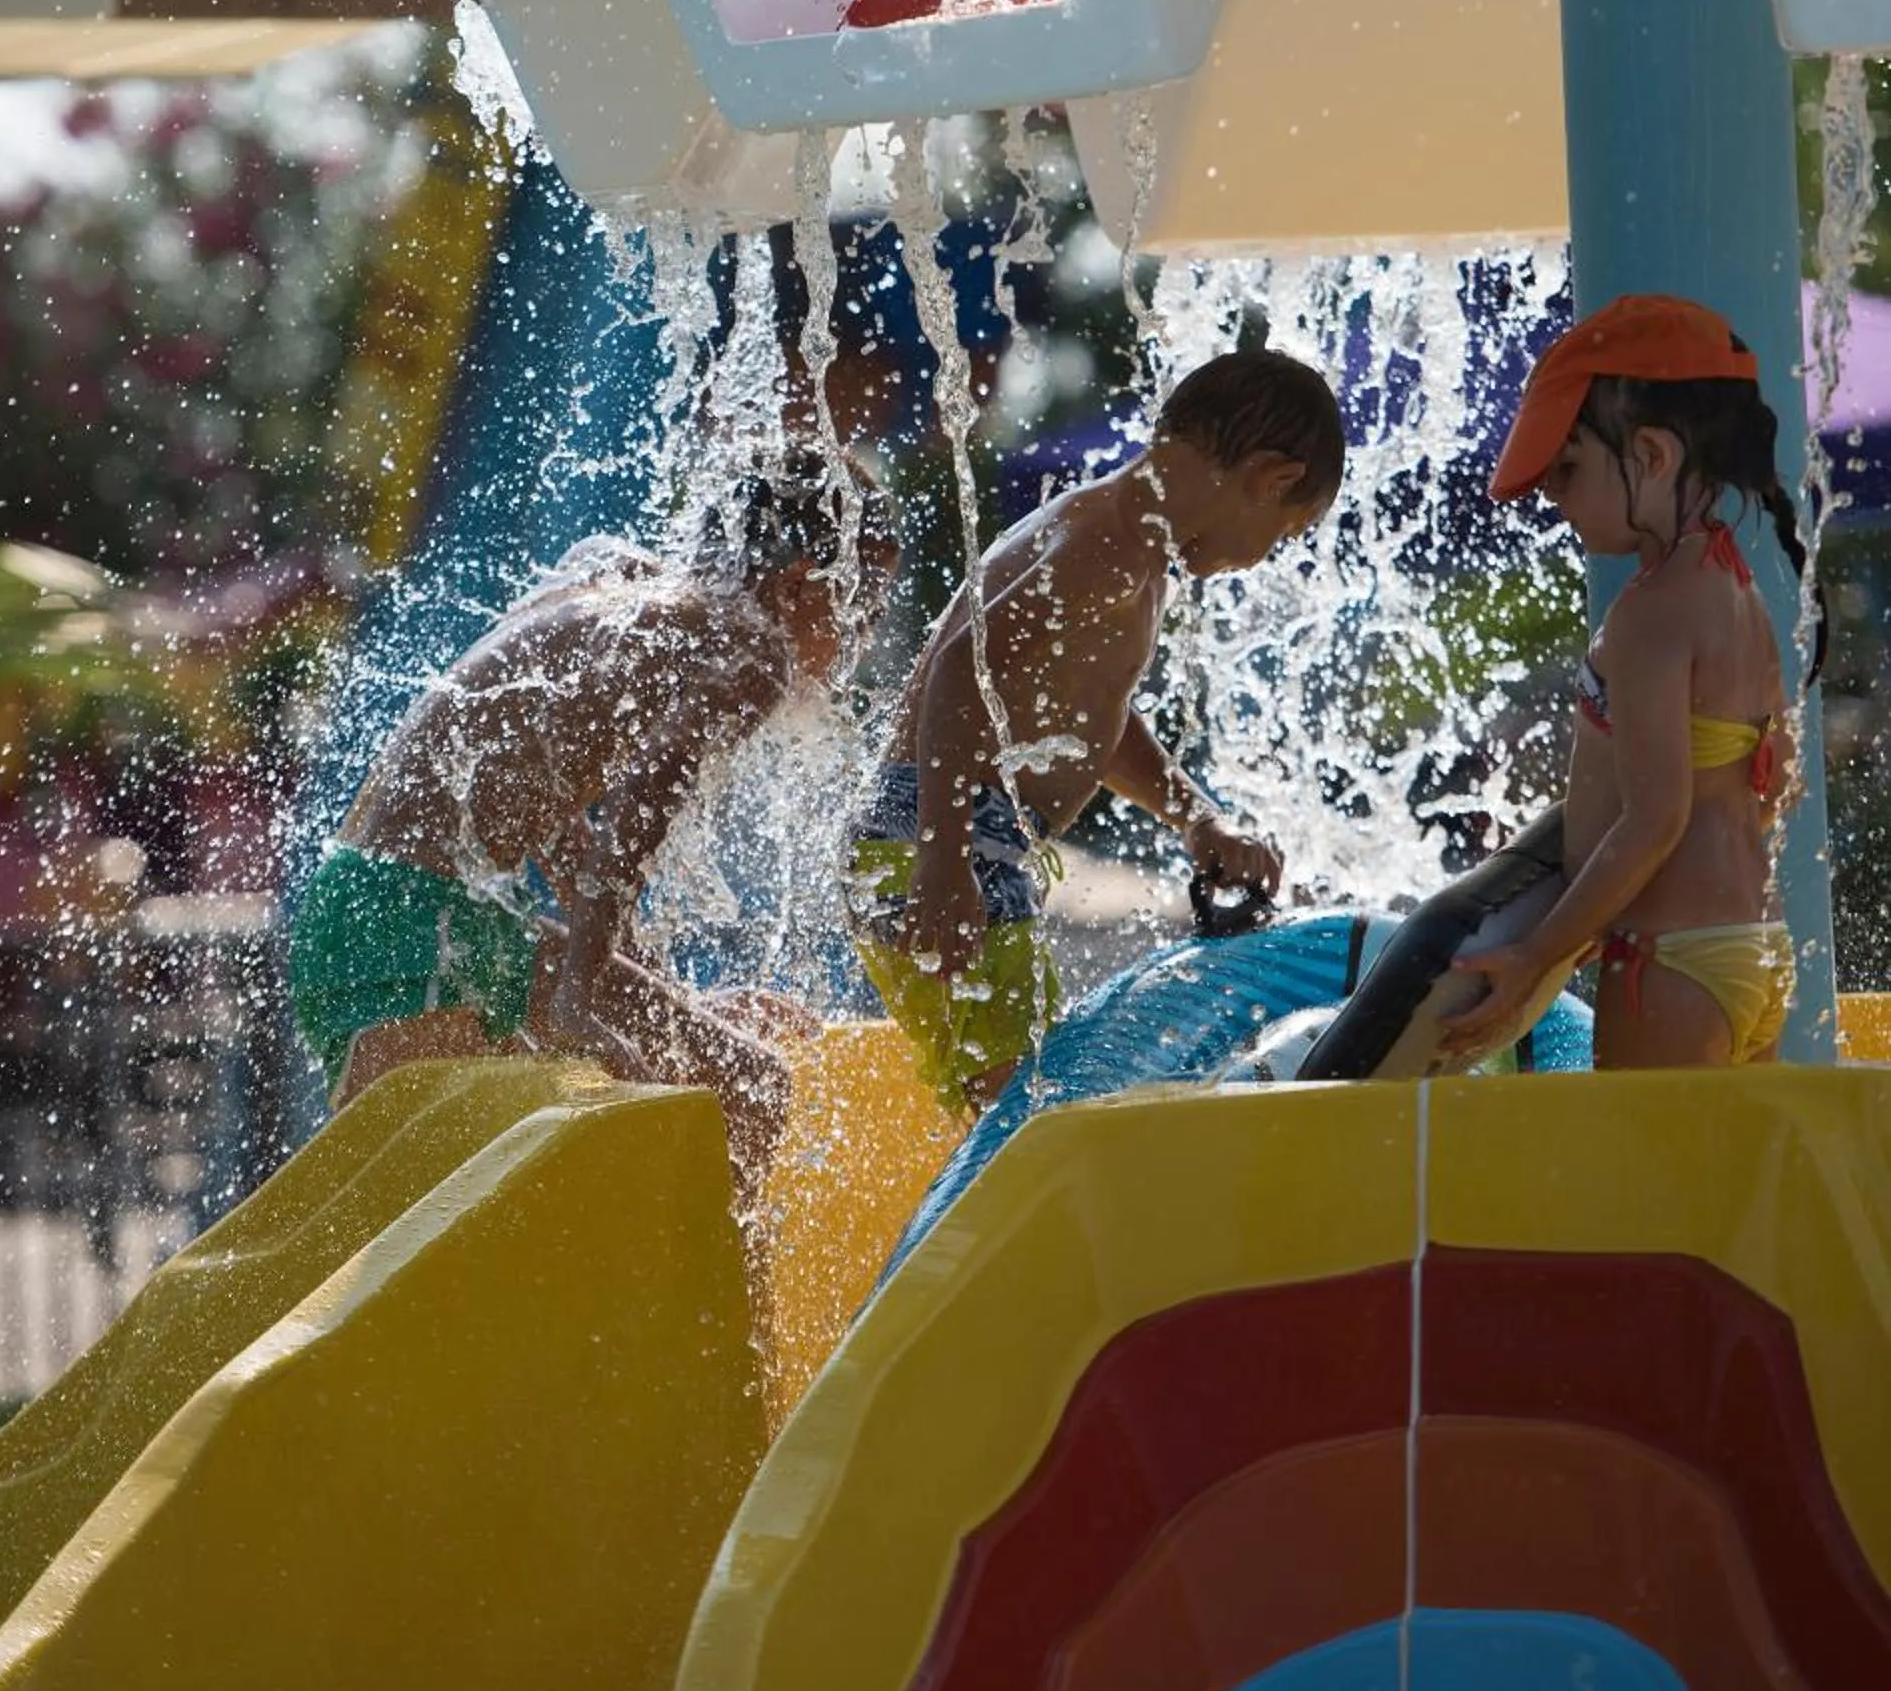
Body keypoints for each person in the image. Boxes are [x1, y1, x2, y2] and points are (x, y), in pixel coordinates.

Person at [290, 458, 898, 1179]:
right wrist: (582, 993)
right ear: (798, 584)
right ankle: (727, 1299)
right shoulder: (749, 648)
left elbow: (545, 804)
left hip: (376, 908)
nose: (857, 647)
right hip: (422, 932)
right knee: (751, 1090)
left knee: (559, 1173)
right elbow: (635, 818)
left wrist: (669, 1004)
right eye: (862, 610)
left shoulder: (623, 586)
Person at [847, 348, 1346, 1111]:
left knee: (1025, 1102)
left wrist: (1195, 818)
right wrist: (942, 863)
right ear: (1270, 480)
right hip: (946, 842)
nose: (1259, 560)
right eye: (1281, 534)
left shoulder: (1128, 548)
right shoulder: (1106, 548)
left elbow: (1094, 718)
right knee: (1034, 1111)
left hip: (956, 841)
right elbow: (960, 668)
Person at [1444, 294, 1812, 1071]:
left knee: (1646, 1192)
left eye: (1567, 468)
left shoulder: (1649, 613)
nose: (1552, 496)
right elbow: (1777, 786)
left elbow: (1652, 822)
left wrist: (1539, 954)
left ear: (1651, 456)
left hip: (1668, 963)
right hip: (1755, 947)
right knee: (1729, 1191)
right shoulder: (1736, 593)